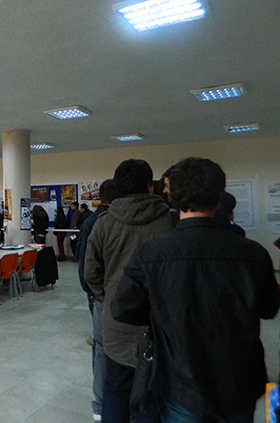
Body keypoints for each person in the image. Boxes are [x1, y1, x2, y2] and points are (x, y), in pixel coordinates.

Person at [111, 157, 280, 422]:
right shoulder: (253, 253)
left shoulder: (151, 253)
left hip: (179, 380)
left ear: (171, 196)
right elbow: (269, 309)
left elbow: (123, 308)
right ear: (220, 197)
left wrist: (163, 314)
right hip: (238, 379)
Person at [84, 159, 173, 423]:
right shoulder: (170, 221)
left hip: (116, 319)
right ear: (149, 186)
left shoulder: (103, 223)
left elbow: (91, 273)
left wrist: (109, 296)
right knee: (153, 395)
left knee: (116, 388)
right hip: (157, 321)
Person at [76, 179, 118, 421]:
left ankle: (101, 404)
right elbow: (87, 267)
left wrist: (94, 293)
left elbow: (85, 267)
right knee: (104, 347)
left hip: (99, 295)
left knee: (102, 348)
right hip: (104, 295)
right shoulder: (98, 222)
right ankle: (103, 403)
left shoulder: (93, 222)